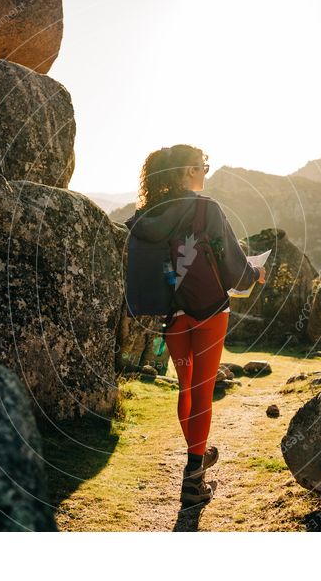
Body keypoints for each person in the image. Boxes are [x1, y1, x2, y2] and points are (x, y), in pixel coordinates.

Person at [124, 144, 266, 506]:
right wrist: (255, 273)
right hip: (209, 311)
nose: (205, 171)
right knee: (203, 391)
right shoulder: (207, 209)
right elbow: (233, 265)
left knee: (185, 387)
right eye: (202, 165)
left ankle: (198, 459)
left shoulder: (148, 215)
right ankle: (193, 479)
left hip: (172, 315)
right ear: (187, 171)